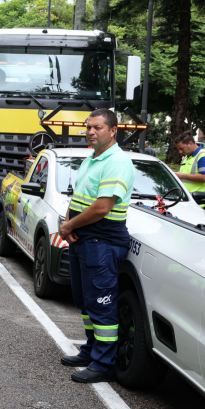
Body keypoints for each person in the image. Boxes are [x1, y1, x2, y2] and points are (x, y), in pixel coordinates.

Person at [58, 109, 135, 383]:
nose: (91, 132)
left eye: (98, 127)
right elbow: (79, 197)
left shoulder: (117, 162)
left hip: (102, 241)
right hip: (84, 239)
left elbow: (102, 207)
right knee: (85, 301)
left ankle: (103, 364)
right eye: (88, 127)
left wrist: (69, 227)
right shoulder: (92, 158)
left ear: (113, 131)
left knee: (102, 304)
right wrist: (68, 223)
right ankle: (91, 350)